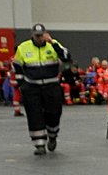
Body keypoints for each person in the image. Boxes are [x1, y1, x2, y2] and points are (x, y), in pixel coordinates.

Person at [11, 24, 70, 155]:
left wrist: (53, 42)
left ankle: (52, 135)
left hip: (51, 86)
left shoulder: (53, 45)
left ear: (45, 34)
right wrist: (22, 85)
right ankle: (39, 145)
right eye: (37, 36)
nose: (39, 38)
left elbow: (66, 57)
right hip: (32, 87)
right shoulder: (23, 47)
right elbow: (17, 66)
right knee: (34, 115)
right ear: (32, 35)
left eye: (41, 35)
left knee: (54, 113)